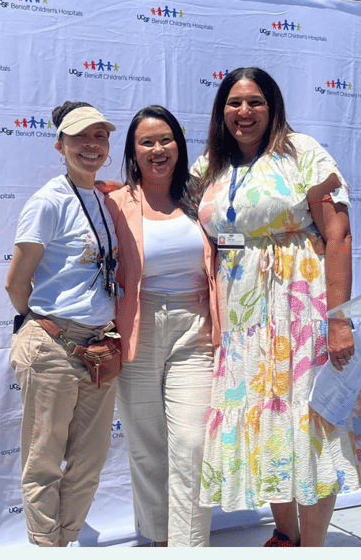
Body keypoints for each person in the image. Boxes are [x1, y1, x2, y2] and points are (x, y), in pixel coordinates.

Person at [193, 68, 361, 546]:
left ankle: (311, 545)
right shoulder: (209, 165)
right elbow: (171, 206)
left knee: (307, 417)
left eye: (255, 101)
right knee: (262, 413)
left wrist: (338, 321)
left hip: (300, 306)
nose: (244, 112)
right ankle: (285, 533)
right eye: (234, 103)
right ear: (221, 111)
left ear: (272, 107)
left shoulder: (303, 153)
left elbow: (338, 234)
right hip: (242, 316)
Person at [5, 101, 120, 547]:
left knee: (90, 462)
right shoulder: (49, 202)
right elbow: (17, 281)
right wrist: (40, 323)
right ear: (60, 145)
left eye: (99, 136)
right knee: (44, 461)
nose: (91, 145)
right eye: (80, 137)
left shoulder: (103, 198)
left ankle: (64, 542)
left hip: (98, 348)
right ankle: (44, 544)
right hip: (53, 345)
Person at [103, 106, 218, 546]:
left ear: (179, 146)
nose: (158, 149)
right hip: (138, 329)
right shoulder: (115, 203)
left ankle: (190, 547)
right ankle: (157, 541)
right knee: (146, 446)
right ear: (133, 151)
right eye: (146, 142)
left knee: (193, 445)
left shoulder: (200, 197)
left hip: (196, 328)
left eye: (166, 140)